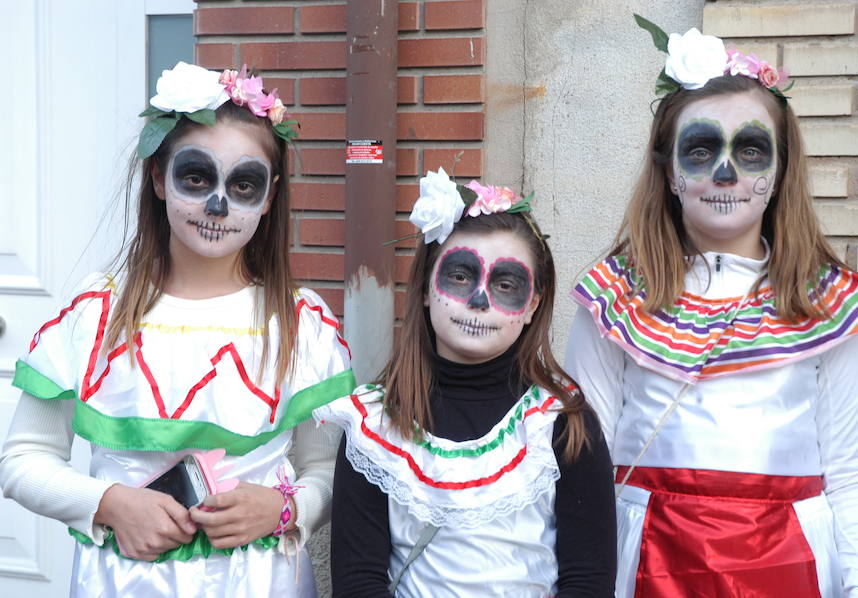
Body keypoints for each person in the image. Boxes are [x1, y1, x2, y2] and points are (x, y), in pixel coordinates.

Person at [0, 62, 355, 597]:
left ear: (270, 195)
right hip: (122, 583)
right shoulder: (99, 316)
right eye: (197, 177)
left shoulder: (301, 327)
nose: (218, 205)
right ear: (158, 178)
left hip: (259, 584)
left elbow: (327, 470)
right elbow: (23, 458)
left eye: (243, 184)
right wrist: (109, 503)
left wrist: (286, 509)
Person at [565, 19, 858, 598]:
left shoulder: (825, 302)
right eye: (700, 149)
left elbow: (854, 473)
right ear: (669, 172)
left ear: (780, 169)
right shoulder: (615, 297)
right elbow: (583, 468)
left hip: (789, 569)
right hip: (645, 566)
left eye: (749, 149)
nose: (725, 173)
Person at [316, 169, 616, 597]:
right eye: (460, 275)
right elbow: (358, 581)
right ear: (424, 287)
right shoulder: (375, 426)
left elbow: (588, 579)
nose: (479, 301)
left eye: (506, 283)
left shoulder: (561, 422)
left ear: (532, 305)